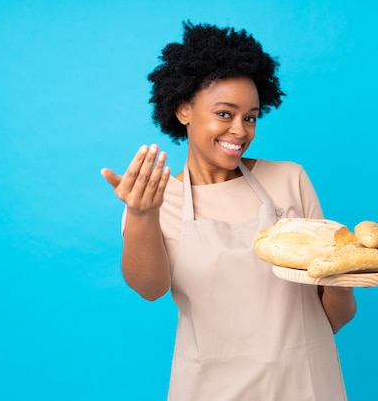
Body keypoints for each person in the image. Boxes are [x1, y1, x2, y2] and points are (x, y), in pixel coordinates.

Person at [101, 21, 357, 401]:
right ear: (184, 110)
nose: (240, 130)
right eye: (225, 113)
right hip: (211, 389)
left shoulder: (289, 179)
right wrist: (141, 215)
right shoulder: (155, 199)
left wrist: (347, 272)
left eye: (250, 117)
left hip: (305, 383)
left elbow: (337, 309)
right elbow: (149, 289)